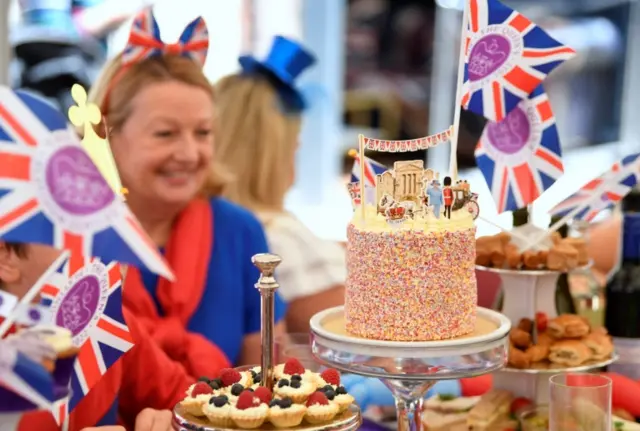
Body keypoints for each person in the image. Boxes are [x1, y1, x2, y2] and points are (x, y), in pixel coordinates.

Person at [88, 9, 286, 371]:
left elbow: (267, 384)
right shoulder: (67, 239)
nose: (189, 154)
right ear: (106, 134)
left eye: (203, 132)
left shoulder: (240, 232)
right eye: (165, 133)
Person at [214, 36, 344, 333]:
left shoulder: (211, 228)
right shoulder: (279, 238)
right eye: (294, 148)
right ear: (273, 158)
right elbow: (355, 339)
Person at [0, 241, 194, 430]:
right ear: (6, 257)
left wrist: (173, 422)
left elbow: (194, 402)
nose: (103, 247)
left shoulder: (107, 322)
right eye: (72, 235)